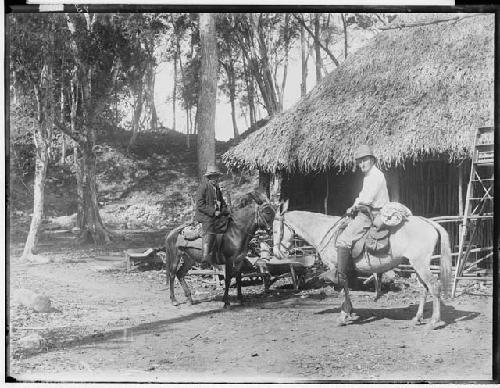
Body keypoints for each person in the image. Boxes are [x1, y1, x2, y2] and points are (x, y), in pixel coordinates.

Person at [336, 144, 390, 283]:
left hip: (371, 214)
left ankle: (340, 277)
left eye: (364, 160)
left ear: (372, 160)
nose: (361, 164)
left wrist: (354, 208)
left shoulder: (375, 176)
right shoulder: (369, 176)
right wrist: (353, 206)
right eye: (359, 161)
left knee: (343, 240)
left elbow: (367, 199)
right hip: (368, 210)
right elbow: (361, 196)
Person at [195, 163, 229, 264]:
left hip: (216, 216)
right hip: (205, 216)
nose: (215, 179)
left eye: (217, 177)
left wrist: (226, 211)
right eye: (213, 177)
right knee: (210, 230)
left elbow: (222, 203)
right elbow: (200, 205)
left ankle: (222, 253)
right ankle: (205, 256)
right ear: (209, 177)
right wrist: (214, 212)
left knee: (227, 227)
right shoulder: (203, 187)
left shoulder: (217, 189)